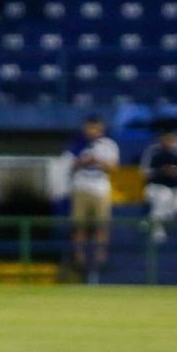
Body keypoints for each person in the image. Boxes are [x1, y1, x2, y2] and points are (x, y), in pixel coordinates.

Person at [67, 115, 119, 281]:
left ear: (100, 129)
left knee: (101, 225)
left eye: (94, 128)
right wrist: (83, 162)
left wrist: (98, 161)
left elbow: (114, 168)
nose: (91, 131)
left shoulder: (108, 145)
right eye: (89, 128)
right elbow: (68, 167)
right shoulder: (77, 144)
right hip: (81, 187)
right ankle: (79, 258)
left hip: (100, 189)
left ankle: (99, 258)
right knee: (79, 225)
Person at [140, 129, 177, 243]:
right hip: (155, 186)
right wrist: (160, 171)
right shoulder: (152, 150)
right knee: (164, 196)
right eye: (166, 138)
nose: (168, 141)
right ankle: (157, 232)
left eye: (171, 138)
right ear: (160, 139)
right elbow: (144, 172)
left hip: (176, 187)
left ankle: (151, 220)